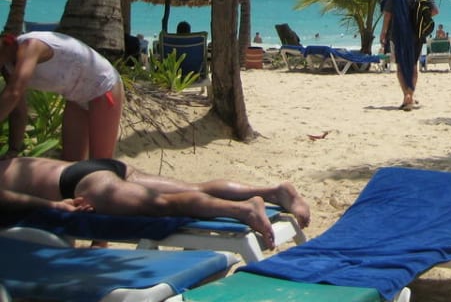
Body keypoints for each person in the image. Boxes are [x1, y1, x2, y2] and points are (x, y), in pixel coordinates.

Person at [0, 156, 310, 249]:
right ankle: (274, 191)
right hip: (97, 166)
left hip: (81, 185)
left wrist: (54, 206)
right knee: (194, 187)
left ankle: (242, 209)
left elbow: (5, 197)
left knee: (166, 204)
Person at [0, 32, 124, 161]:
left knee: (100, 164)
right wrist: (13, 149)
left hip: (103, 86)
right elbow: (17, 110)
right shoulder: (7, 67)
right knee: (71, 163)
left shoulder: (30, 45)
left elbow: (14, 92)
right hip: (76, 97)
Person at [379, 0, 438, 111]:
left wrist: (384, 32)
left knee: (400, 65)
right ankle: (410, 94)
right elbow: (435, 11)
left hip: (398, 33)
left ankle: (406, 95)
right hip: (417, 34)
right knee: (413, 65)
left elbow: (387, 14)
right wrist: (417, 20)